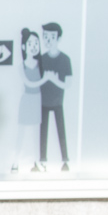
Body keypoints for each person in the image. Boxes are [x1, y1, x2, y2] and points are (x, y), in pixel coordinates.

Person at [39, 21, 71, 171]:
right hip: (43, 101)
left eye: (52, 37)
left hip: (58, 101)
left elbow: (68, 84)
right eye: (45, 37)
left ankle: (65, 160)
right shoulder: (42, 59)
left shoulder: (65, 60)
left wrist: (54, 79)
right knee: (43, 130)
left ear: (58, 38)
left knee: (61, 130)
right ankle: (42, 159)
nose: (48, 40)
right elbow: (37, 80)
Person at [14, 28, 46, 172]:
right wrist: (46, 79)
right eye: (30, 44)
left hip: (37, 100)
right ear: (23, 47)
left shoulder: (41, 65)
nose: (33, 47)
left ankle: (36, 162)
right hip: (26, 100)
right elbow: (29, 83)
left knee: (35, 134)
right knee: (21, 133)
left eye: (36, 44)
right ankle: (15, 162)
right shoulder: (22, 66)